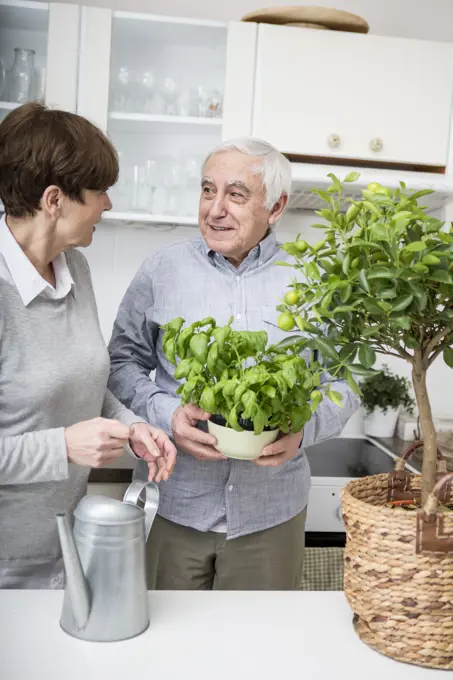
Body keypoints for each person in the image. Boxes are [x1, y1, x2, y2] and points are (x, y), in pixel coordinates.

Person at [108, 138, 360, 590]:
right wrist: (167, 415)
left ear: (277, 207)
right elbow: (121, 363)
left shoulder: (314, 278)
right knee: (164, 650)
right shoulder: (161, 270)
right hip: (174, 505)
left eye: (236, 195)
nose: (215, 209)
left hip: (271, 514)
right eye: (208, 191)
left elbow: (345, 379)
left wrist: (305, 430)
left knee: (257, 653)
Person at [0, 103, 177, 589]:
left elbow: (86, 382)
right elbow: (61, 440)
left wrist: (132, 425)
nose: (107, 204)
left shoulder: (74, 269)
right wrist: (63, 446)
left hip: (63, 542)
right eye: (100, 191)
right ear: (54, 200)